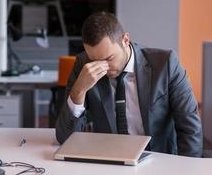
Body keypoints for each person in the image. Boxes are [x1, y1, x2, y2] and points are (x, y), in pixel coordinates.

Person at [55, 12, 203, 157]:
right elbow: (65, 138)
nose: (103, 67)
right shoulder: (84, 65)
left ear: (125, 40)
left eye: (109, 58)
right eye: (95, 60)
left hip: (158, 160)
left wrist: (187, 168)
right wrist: (78, 91)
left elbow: (190, 128)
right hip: (108, 161)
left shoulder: (165, 64)